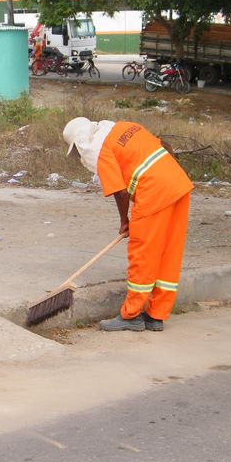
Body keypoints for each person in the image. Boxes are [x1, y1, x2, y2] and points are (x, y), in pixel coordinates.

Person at [62, 117, 193, 332]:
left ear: (81, 144)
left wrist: (125, 221)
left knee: (143, 253)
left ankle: (131, 315)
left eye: (76, 152)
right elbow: (164, 146)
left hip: (153, 193)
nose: (78, 156)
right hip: (178, 184)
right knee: (169, 252)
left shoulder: (102, 150)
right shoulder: (124, 127)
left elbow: (120, 191)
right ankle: (156, 315)